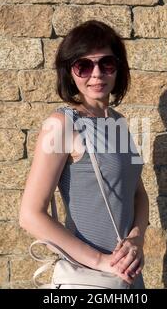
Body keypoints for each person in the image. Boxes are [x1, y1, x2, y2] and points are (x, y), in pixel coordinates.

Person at [19, 20, 149, 289]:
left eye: (107, 63)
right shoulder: (62, 124)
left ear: (119, 68)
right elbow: (30, 214)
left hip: (128, 276)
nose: (97, 74)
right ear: (70, 72)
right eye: (84, 66)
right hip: (89, 278)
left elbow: (138, 193)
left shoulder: (121, 123)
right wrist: (101, 260)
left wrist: (136, 239)